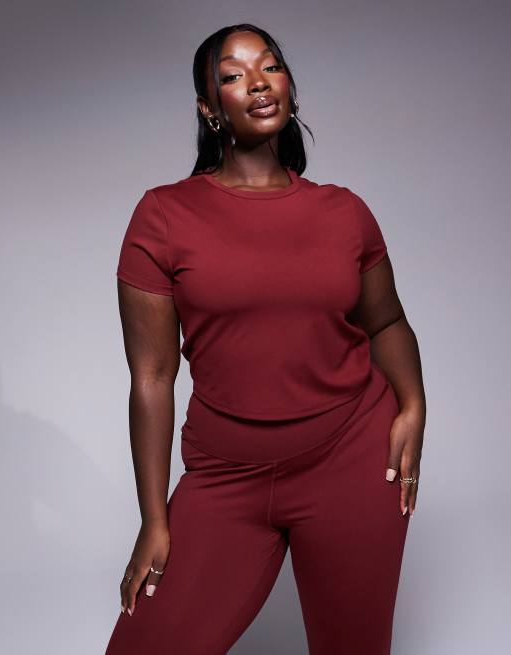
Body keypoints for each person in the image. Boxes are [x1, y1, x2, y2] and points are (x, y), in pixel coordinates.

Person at [104, 22, 426, 655]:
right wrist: (155, 520)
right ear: (209, 107)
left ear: (289, 87)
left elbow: (386, 321)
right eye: (233, 75)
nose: (257, 82)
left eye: (270, 66)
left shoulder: (344, 211)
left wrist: (413, 404)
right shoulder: (164, 215)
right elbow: (153, 376)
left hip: (351, 461)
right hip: (226, 474)